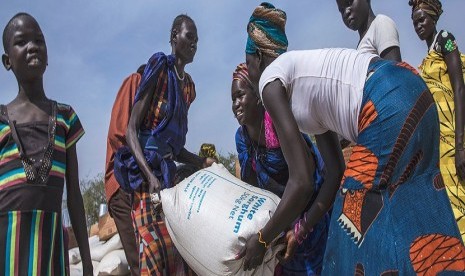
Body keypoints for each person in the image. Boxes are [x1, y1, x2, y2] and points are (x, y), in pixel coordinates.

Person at [240, 3, 465, 275]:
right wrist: (299, 230)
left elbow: (300, 180)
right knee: (415, 213)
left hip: (385, 101)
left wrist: (263, 240)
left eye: (247, 61)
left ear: (259, 56)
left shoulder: (270, 80)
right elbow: (334, 173)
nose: (248, 72)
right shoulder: (302, 85)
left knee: (351, 225)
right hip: (415, 94)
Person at [113, 14, 215, 275]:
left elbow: (174, 147)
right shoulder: (159, 66)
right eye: (188, 37)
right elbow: (131, 130)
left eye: (197, 40)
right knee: (152, 248)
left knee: (177, 252)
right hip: (145, 177)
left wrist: (201, 163)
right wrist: (149, 175)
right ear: (173, 37)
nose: (194, 43)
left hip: (167, 175)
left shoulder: (189, 88)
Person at [0, 13, 92, 275]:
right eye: (22, 42)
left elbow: (73, 195)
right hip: (7, 245)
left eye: (39, 40)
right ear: (7, 61)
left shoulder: (65, 117)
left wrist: (86, 261)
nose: (33, 46)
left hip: (50, 245)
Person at [232, 62, 329, 275]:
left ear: (258, 96)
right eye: (233, 100)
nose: (236, 104)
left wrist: (265, 239)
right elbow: (252, 188)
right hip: (281, 226)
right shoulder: (242, 138)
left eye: (240, 95)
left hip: (312, 216)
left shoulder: (276, 123)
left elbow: (306, 183)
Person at [410, 0, 465, 241]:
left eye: (422, 19)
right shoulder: (428, 55)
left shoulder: (445, 39)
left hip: (456, 136)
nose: (418, 25)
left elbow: (459, 88)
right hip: (441, 145)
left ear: (433, 18)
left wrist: (461, 147)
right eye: (414, 22)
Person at [104, 64, 145, 275]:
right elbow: (119, 135)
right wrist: (146, 169)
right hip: (123, 185)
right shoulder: (136, 81)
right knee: (141, 261)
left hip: (139, 185)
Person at [336, 0, 402, 61]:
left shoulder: (381, 23)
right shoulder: (360, 45)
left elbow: (394, 70)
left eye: (349, 3)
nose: (346, 12)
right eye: (342, 10)